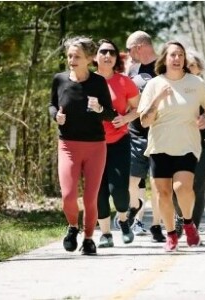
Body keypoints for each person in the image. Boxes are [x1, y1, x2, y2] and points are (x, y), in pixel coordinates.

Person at [138, 40, 205, 252]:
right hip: (160, 145)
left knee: (182, 188)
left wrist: (204, 117)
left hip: (187, 144)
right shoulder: (154, 84)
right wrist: (158, 99)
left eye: (180, 55)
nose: (177, 58)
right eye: (172, 55)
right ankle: (171, 234)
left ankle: (188, 223)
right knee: (163, 193)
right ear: (164, 59)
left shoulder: (196, 83)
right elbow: (144, 120)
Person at [49, 36, 116, 255]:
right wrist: (55, 117)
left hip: (95, 146)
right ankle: (72, 227)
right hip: (68, 145)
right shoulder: (59, 80)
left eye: (77, 56)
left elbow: (110, 113)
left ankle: (88, 238)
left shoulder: (98, 82)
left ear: (89, 59)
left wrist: (99, 110)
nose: (71, 60)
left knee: (90, 198)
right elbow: (52, 106)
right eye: (69, 56)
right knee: (68, 195)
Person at [93, 39, 140, 247]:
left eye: (112, 52)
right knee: (98, 191)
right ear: (95, 57)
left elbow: (138, 109)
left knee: (118, 189)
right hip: (92, 143)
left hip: (119, 141)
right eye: (103, 52)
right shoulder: (87, 82)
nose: (108, 55)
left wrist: (126, 119)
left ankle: (123, 221)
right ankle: (105, 234)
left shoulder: (124, 82)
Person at [125, 30, 166, 243]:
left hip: (159, 134)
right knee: (131, 182)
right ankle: (136, 207)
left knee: (157, 183)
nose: (128, 54)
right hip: (135, 134)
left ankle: (156, 225)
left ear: (140, 46)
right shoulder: (132, 69)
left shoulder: (164, 67)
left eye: (129, 48)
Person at [173, 49, 205, 237]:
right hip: (176, 144)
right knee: (177, 188)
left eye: (192, 65)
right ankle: (181, 216)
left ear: (199, 68)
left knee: (196, 187)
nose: (188, 68)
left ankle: (194, 229)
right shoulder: (172, 88)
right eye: (185, 65)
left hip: (203, 146)